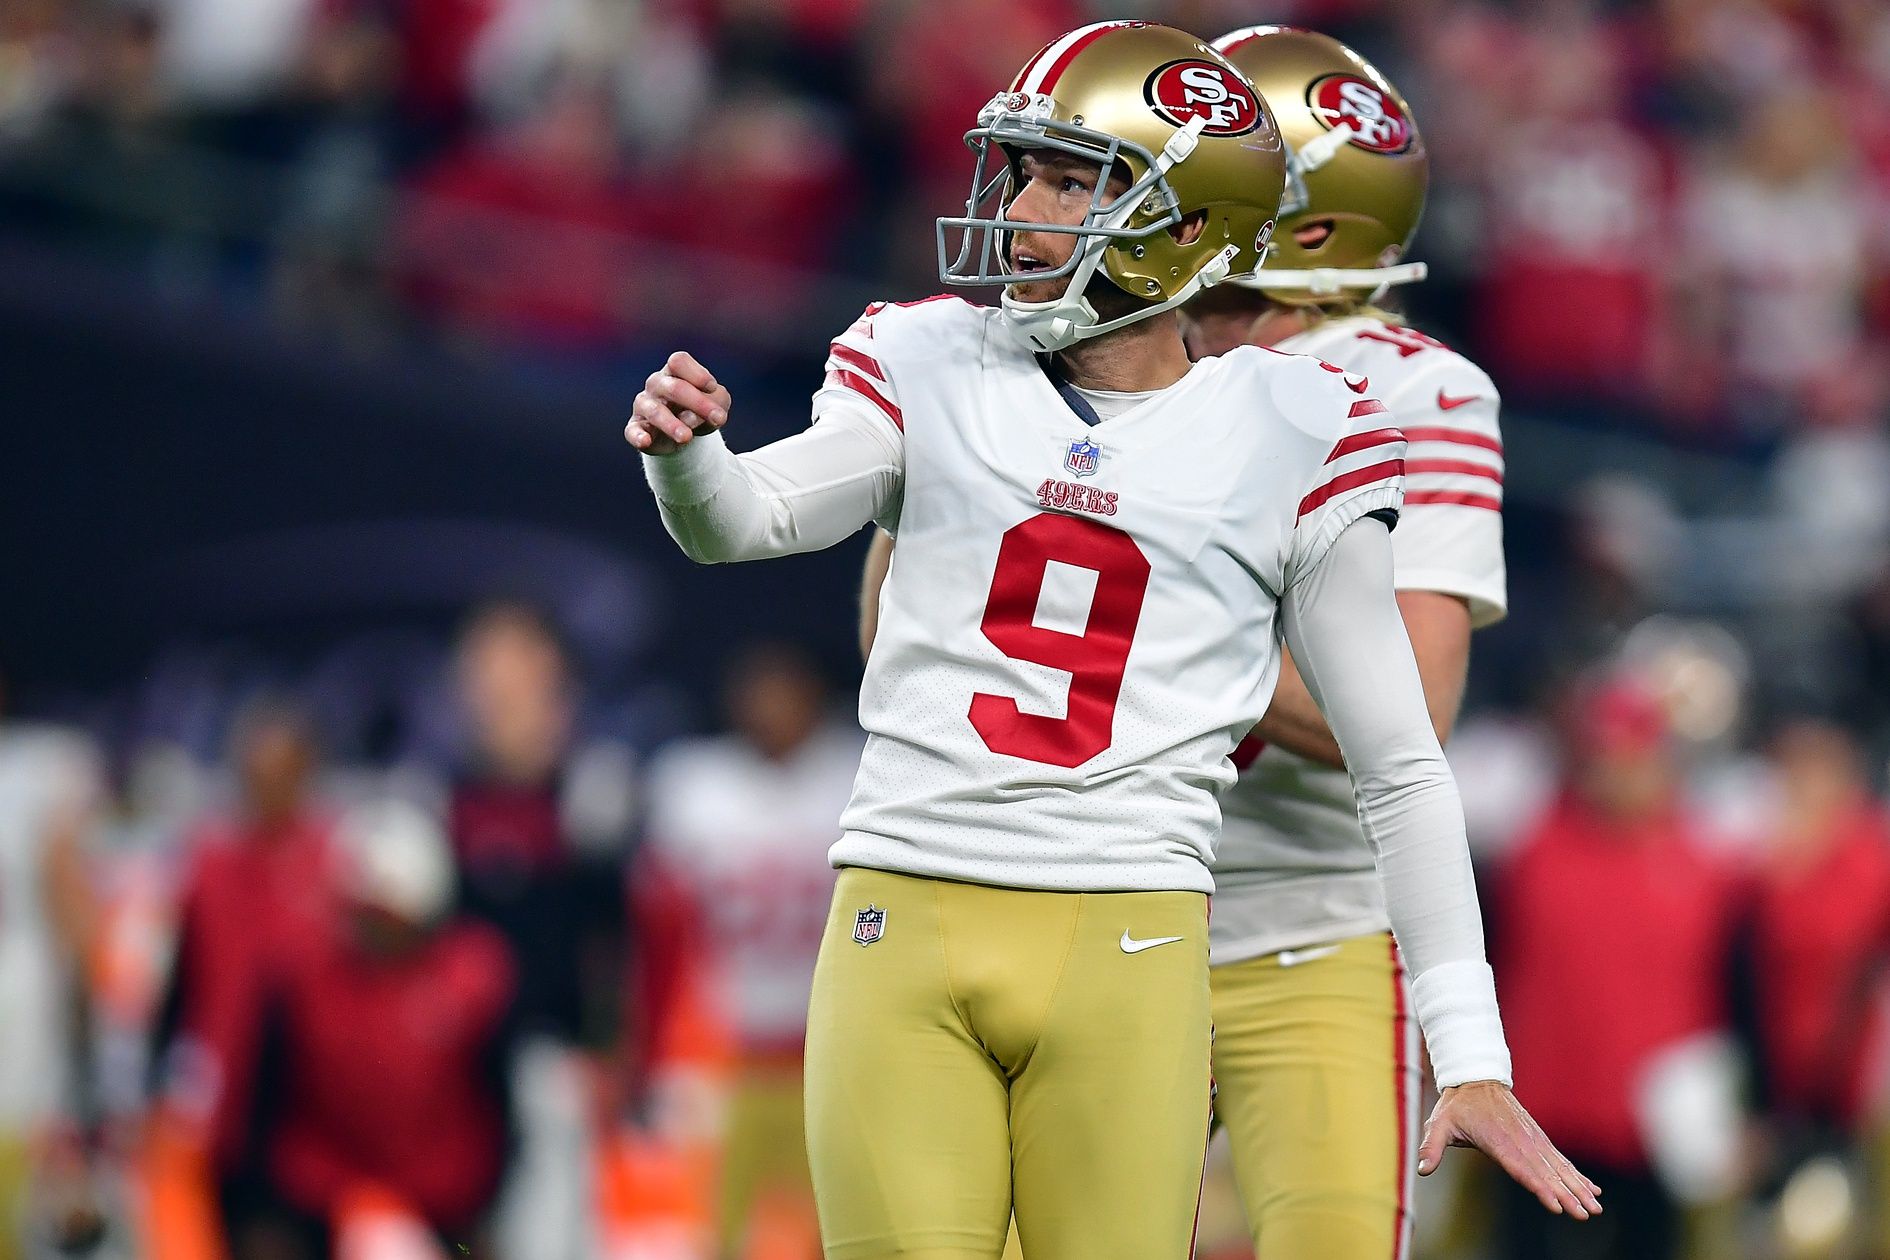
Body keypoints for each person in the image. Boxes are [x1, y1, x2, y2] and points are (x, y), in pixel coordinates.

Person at [628, 21, 1594, 1258]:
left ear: (1187, 225)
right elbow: (748, 519)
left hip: (1144, 927)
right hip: (905, 904)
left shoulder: (1309, 419)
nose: (1022, 207)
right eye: (1024, 168)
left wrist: (1472, 1047)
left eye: (1072, 179)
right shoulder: (928, 353)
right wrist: (688, 463)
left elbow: (1404, 756)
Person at [1190, 28, 1507, 1260]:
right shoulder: (1092, 347)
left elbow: (1407, 716)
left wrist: (1160, 634)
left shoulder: (1410, 386)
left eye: (1203, 159)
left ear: (1306, 226)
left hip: (1303, 917)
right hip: (1088, 891)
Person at [1495, 681, 1733, 1260]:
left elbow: (1735, 994)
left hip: (1657, 1125)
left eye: (1635, 758)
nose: (1620, 775)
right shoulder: (1532, 854)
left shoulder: (1704, 864)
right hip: (1543, 1120)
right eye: (1607, 759)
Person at [643, 643, 859, 1258]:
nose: (770, 706)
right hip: (727, 1057)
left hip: (829, 1053)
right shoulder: (696, 789)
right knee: (713, 1233)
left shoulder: (850, 774)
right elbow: (658, 935)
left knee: (846, 1232)